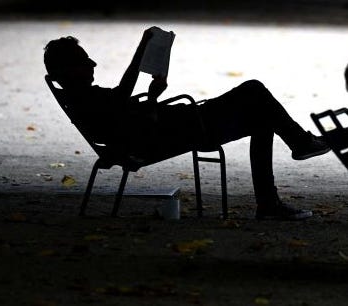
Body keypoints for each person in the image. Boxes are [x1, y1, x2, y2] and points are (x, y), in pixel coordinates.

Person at [43, 28, 331, 221]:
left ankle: (274, 194)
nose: (93, 64)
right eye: (84, 61)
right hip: (185, 129)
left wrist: (154, 98)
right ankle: (298, 146)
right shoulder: (86, 99)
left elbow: (131, 117)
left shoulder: (83, 98)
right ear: (67, 70)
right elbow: (126, 101)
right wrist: (143, 48)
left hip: (177, 127)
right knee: (254, 90)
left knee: (262, 117)